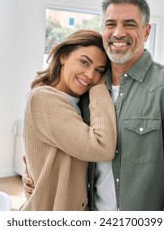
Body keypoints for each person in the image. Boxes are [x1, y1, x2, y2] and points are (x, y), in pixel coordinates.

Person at [23, 0, 164, 211]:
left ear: (146, 31)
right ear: (104, 30)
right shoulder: (87, 90)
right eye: (111, 24)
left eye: (129, 24)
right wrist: (36, 177)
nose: (118, 33)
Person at [19, 29, 117, 211]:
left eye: (99, 71)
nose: (90, 75)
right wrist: (99, 87)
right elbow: (102, 147)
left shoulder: (77, 102)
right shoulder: (44, 98)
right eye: (84, 62)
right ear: (63, 56)